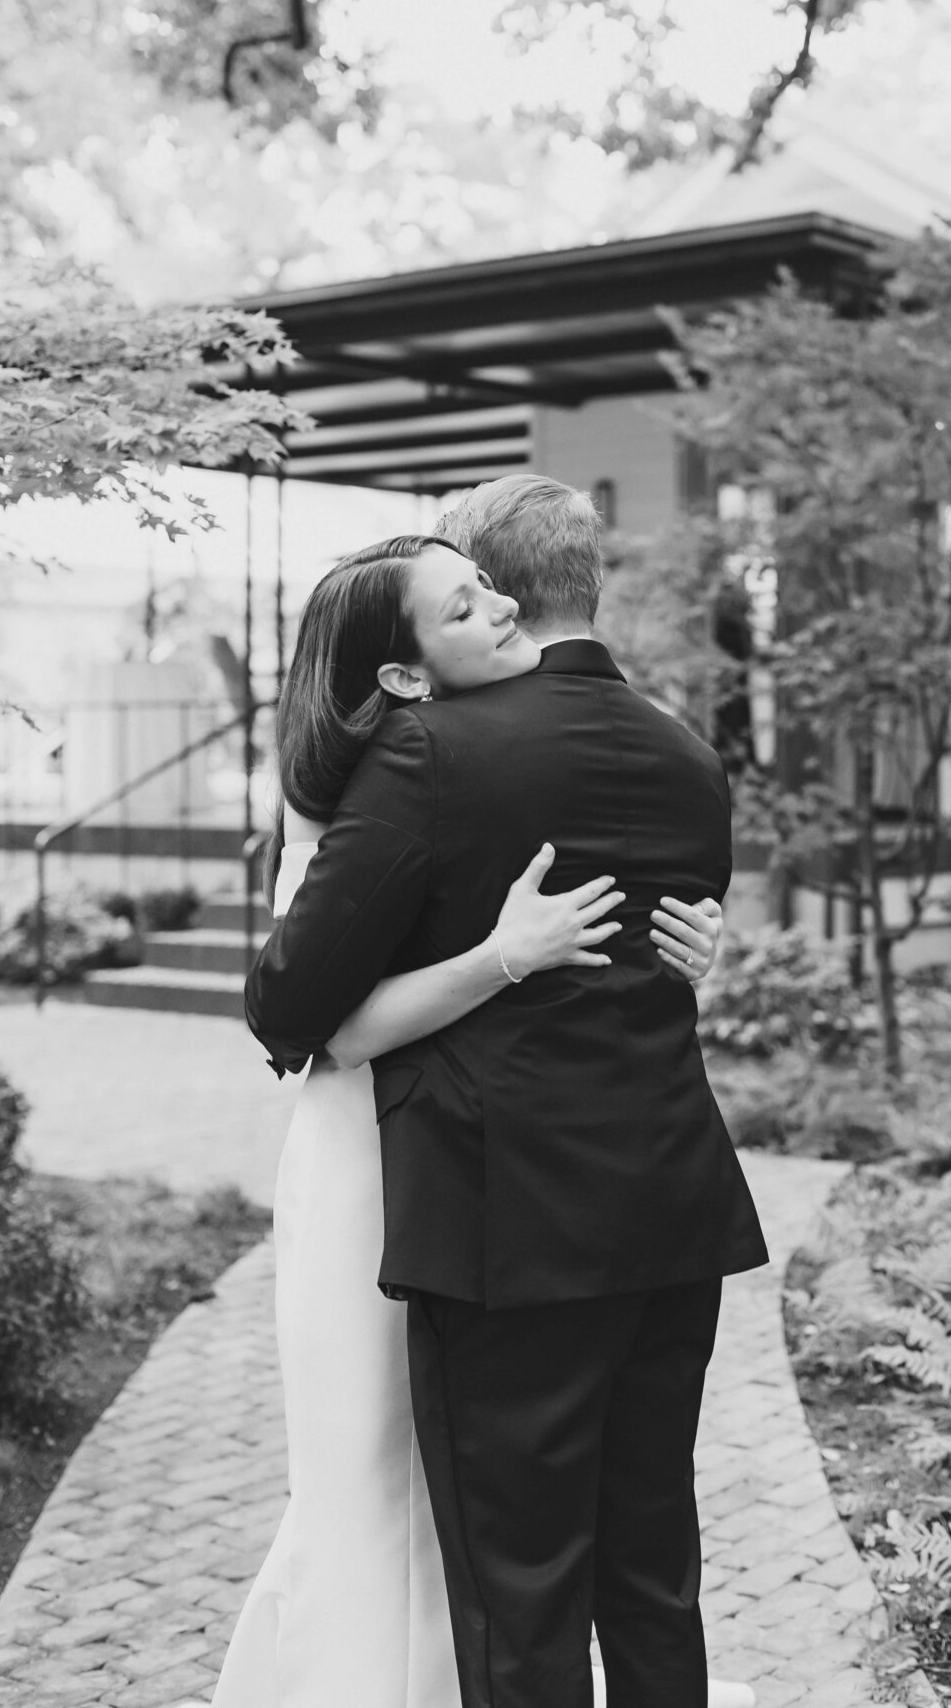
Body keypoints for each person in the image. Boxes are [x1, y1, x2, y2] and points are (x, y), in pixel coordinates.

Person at [246, 478, 769, 1708]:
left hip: (508, 1226)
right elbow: (663, 958)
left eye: (471, 580)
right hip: (670, 1203)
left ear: (497, 581)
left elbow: (290, 1008)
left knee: (519, 1589)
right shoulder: (689, 753)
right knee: (652, 1563)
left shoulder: (426, 752)